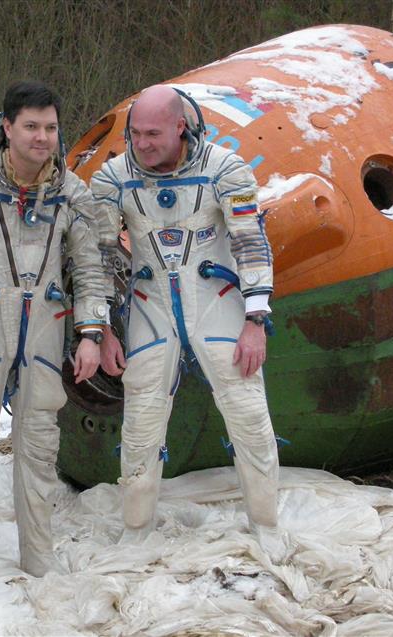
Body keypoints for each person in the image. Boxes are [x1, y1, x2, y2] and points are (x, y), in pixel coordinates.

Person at [0, 81, 109, 603]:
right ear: (6, 128)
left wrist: (91, 333)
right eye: (31, 126)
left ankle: (38, 549)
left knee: (40, 442)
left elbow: (91, 266)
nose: (42, 137)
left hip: (47, 322)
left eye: (50, 128)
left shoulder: (72, 193)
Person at [91, 85, 284, 558]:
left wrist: (256, 319)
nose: (142, 144)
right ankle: (136, 528)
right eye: (135, 134)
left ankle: (265, 522)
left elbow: (250, 243)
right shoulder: (114, 178)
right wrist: (102, 328)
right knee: (140, 419)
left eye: (153, 134)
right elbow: (97, 256)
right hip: (150, 303)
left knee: (248, 412)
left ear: (181, 126)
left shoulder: (224, 170)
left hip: (216, 299)